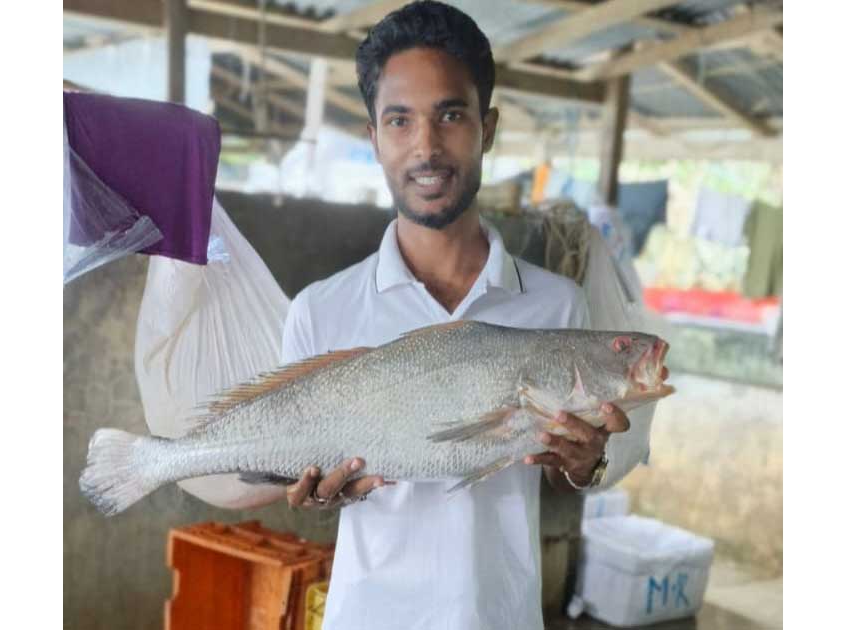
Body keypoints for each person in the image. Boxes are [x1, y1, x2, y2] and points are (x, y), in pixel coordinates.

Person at [268, 3, 635, 628]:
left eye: (451, 115)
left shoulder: (557, 306)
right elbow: (298, 471)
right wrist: (312, 491)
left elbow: (553, 471)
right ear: (373, 137)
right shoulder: (321, 310)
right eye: (400, 120)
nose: (427, 147)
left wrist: (584, 466)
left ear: (486, 128)